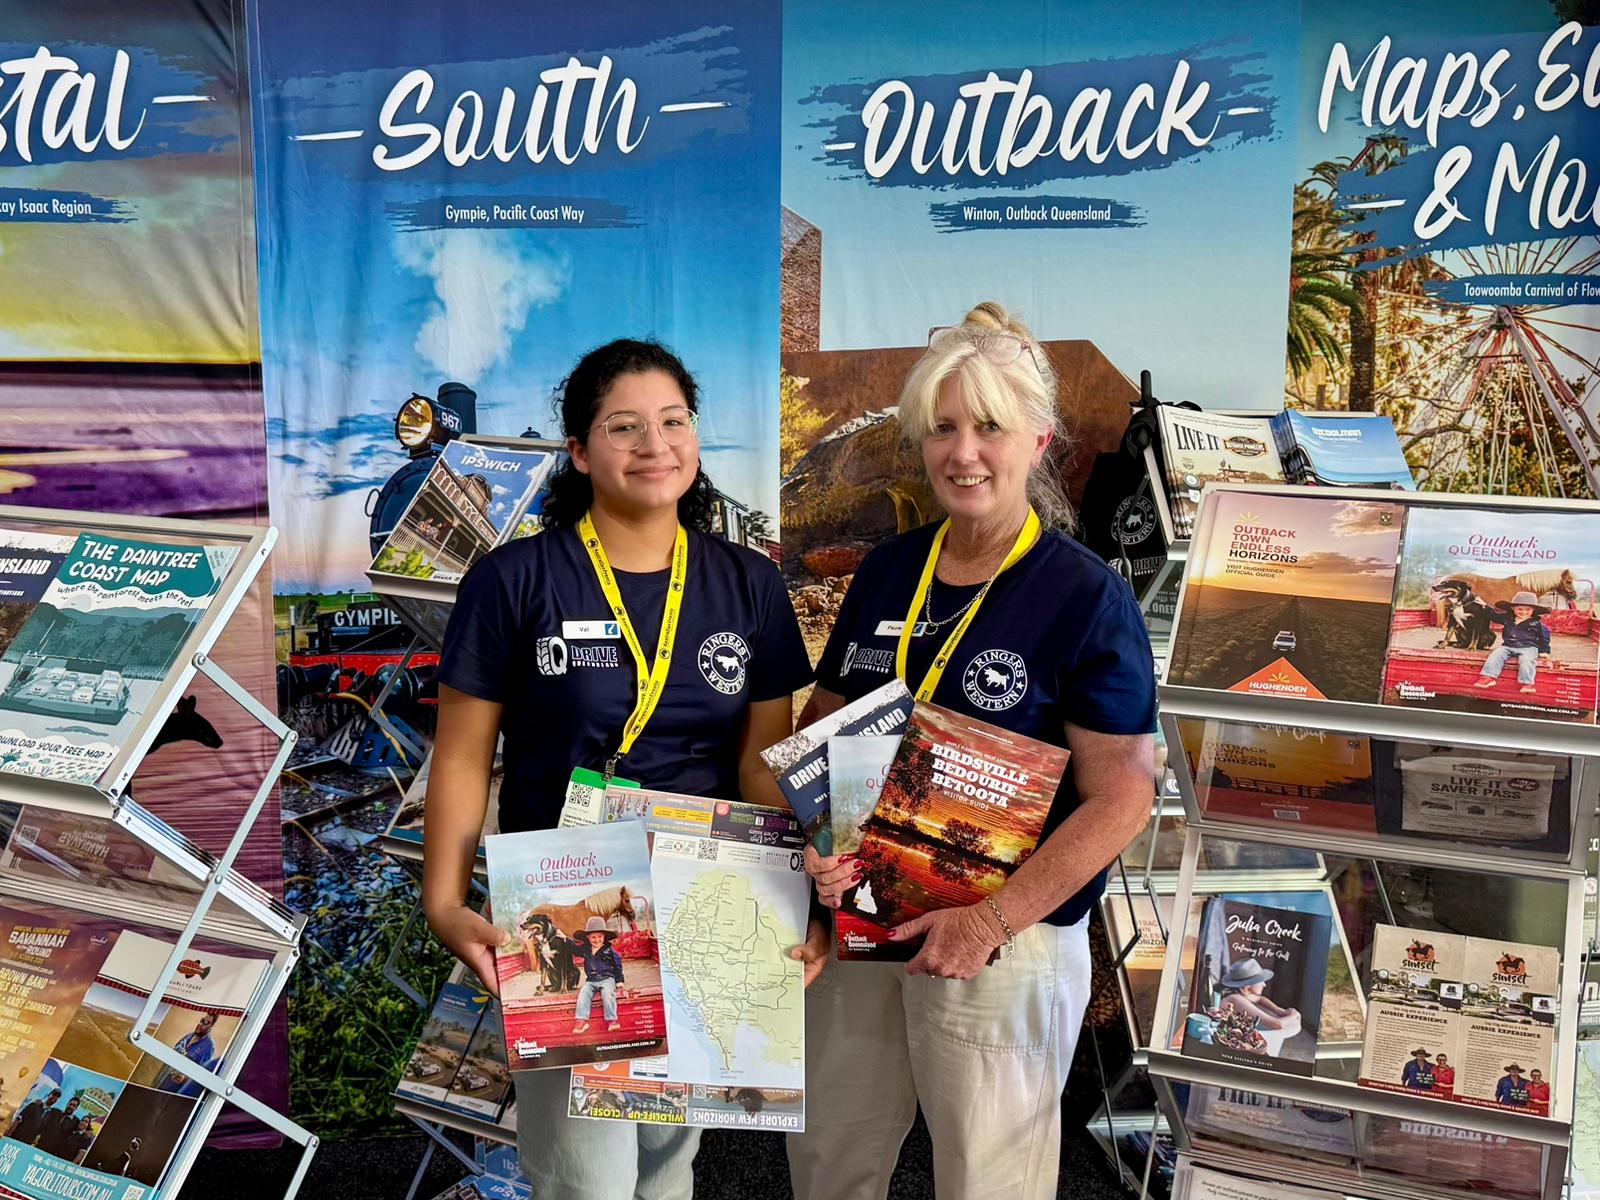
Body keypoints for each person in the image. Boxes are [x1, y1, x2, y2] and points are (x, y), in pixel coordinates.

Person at [423, 338, 816, 1200]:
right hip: (568, 892)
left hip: (705, 896)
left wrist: (804, 890)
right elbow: (461, 757)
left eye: (673, 421)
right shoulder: (513, 580)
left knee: (667, 1167)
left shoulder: (749, 584)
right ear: (578, 450)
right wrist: (444, 902)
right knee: (584, 1178)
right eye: (624, 426)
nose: (655, 445)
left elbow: (760, 766)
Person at [788, 304, 1156, 1200]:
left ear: (1038, 439)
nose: (964, 453)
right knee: (831, 1157)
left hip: (1003, 939)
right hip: (861, 919)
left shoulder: (1084, 596)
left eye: (989, 427)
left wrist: (992, 921)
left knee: (989, 1179)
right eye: (943, 428)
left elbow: (1123, 797)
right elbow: (825, 727)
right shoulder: (888, 572)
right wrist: (817, 845)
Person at [1474, 591, 1552, 694]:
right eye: (1520, 609)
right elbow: (1494, 616)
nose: (1523, 612)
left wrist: (1544, 651)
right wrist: (1485, 606)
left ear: (1533, 610)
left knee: (1527, 660)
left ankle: (1527, 683)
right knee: (1496, 654)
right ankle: (1488, 677)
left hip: (1528, 647)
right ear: (1513, 608)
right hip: (1508, 646)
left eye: (1528, 610)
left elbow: (1545, 636)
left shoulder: (1536, 623)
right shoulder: (1508, 619)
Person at [564, 917, 627, 1033]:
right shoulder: (586, 949)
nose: (597, 940)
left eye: (599, 937)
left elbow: (617, 964)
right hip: (591, 980)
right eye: (593, 937)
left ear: (604, 937)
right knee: (583, 993)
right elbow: (575, 950)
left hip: (607, 978)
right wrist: (565, 939)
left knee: (608, 994)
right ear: (588, 938)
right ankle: (582, 1020)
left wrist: (619, 980)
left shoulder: (608, 950)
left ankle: (612, 1020)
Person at [1214, 958, 1300, 1034]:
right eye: (1260, 981)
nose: (1264, 985)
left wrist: (1278, 1010)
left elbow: (1260, 999)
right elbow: (1277, 1024)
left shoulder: (1239, 992)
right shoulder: (1236, 999)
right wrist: (1293, 1015)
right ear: (1247, 986)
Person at [155, 1011, 220, 1097]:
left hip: (173, 1092)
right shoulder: (188, 1036)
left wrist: (185, 1078)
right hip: (161, 1083)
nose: (201, 1024)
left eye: (206, 1023)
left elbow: (201, 1075)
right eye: (202, 1020)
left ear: (211, 1026)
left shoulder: (209, 1046)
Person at [36, 1095, 82, 1159]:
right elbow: (43, 1122)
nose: (71, 1107)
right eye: (70, 1104)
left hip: (54, 1153)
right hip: (40, 1146)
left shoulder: (76, 1121)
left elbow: (80, 1132)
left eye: (74, 1106)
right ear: (67, 1104)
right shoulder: (54, 1111)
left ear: (76, 1108)